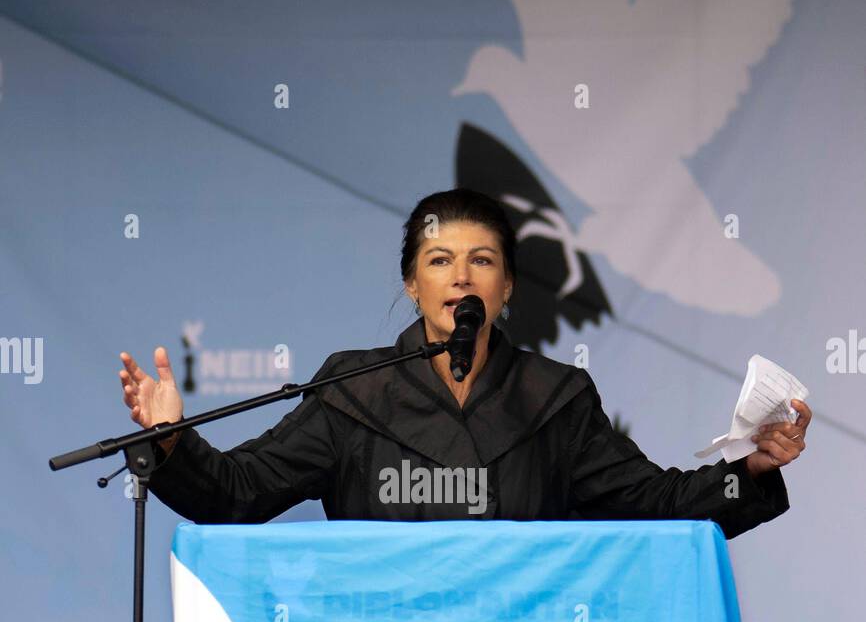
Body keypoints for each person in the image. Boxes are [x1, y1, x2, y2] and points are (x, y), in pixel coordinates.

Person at [118, 188, 810, 531]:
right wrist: (173, 441)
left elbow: (656, 505)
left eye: (481, 261)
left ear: (506, 288)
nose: (460, 277)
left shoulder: (555, 396)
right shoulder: (353, 392)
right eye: (439, 261)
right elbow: (239, 492)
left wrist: (750, 468)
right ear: (411, 284)